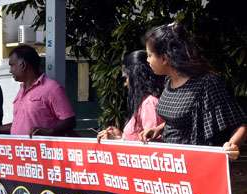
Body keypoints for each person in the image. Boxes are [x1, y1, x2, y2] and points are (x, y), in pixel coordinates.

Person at [140, 22, 247, 159]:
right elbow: (183, 117)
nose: (147, 60)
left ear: (164, 58)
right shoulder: (168, 81)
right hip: (173, 163)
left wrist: (231, 146)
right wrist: (159, 129)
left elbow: (240, 125)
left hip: (197, 165)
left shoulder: (207, 83)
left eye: (149, 55)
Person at [0, 45, 75, 137]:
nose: (10, 70)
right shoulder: (21, 90)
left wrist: (50, 131)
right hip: (20, 153)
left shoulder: (52, 88)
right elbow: (17, 125)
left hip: (41, 153)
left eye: (12, 65)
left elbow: (70, 120)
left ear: (23, 65)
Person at [98, 50, 164, 141]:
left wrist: (116, 140)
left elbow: (150, 145)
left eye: (126, 77)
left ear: (136, 78)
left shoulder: (149, 103)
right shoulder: (143, 103)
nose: (125, 84)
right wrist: (120, 137)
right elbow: (139, 139)